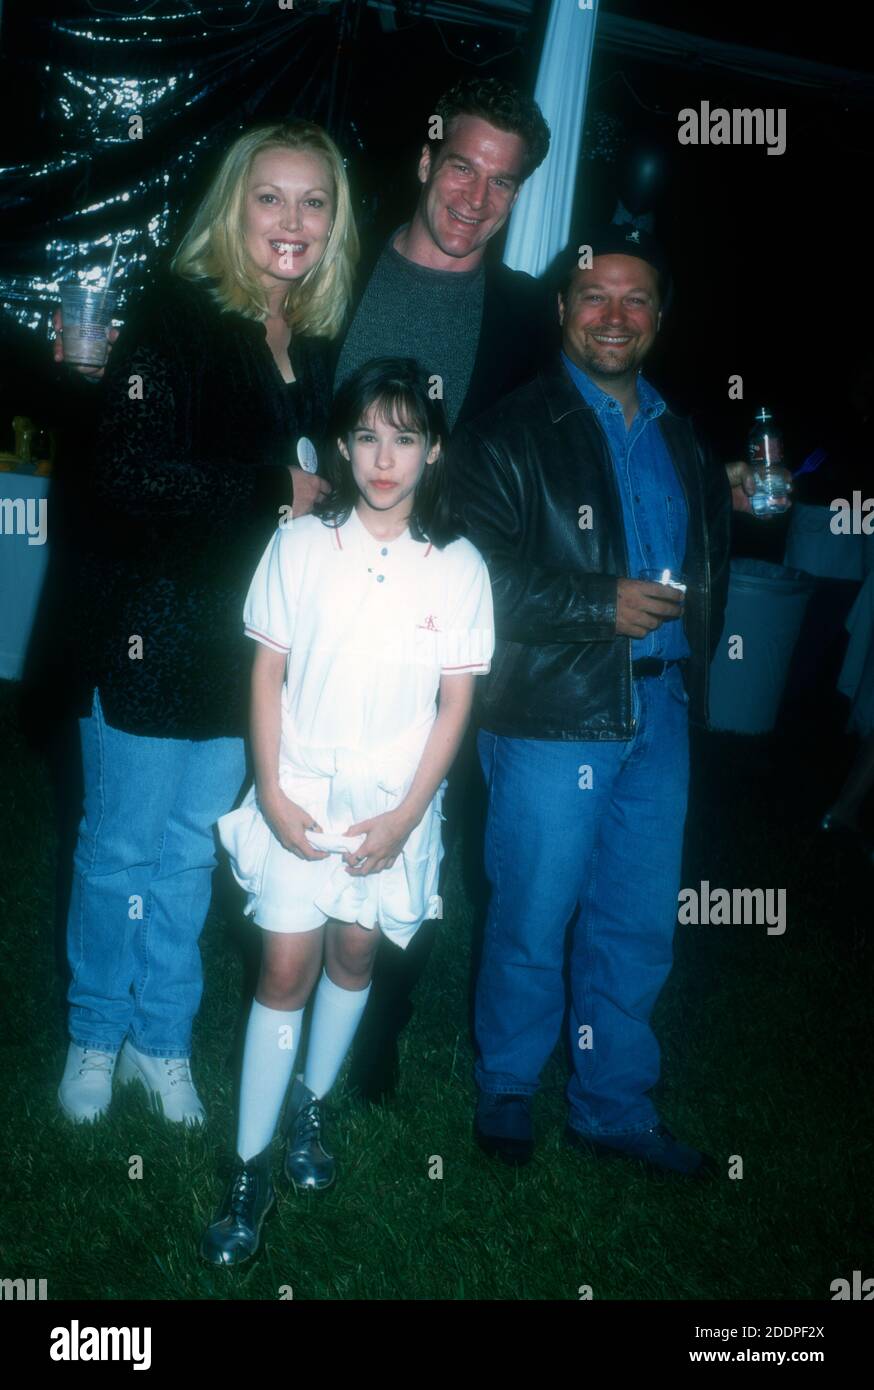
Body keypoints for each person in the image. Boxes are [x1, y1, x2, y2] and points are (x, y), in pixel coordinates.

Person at [56, 120, 358, 1127]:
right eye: (269, 197)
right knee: (119, 852)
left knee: (189, 854)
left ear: (333, 221)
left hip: (244, 651)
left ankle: (162, 1042)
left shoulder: (308, 341)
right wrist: (276, 486)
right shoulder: (175, 316)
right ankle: (96, 1033)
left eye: (312, 201)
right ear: (234, 208)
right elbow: (128, 472)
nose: (291, 220)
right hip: (147, 634)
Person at [447, 224, 732, 1174]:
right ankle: (510, 1087)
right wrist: (595, 605)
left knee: (638, 921)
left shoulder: (681, 434)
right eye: (594, 296)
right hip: (552, 713)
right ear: (563, 309)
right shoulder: (506, 432)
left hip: (661, 712)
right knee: (534, 912)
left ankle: (612, 1102)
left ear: (659, 318)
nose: (615, 315)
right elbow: (472, 582)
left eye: (636, 298)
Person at [199, 358, 494, 1266]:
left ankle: (310, 1106)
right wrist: (275, 790)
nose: (383, 457)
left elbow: (455, 704)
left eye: (405, 438)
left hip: (391, 805)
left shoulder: (456, 566)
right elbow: (267, 671)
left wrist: (407, 819)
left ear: (433, 451)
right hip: (304, 789)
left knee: (355, 950)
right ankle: (247, 1172)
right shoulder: (297, 545)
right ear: (342, 442)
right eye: (367, 435)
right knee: (286, 962)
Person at [336, 76, 555, 1100]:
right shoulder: (334, 269)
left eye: (501, 183)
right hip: (323, 598)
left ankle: (376, 1032)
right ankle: (287, 989)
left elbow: (580, 423)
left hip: (441, 625)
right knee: (306, 799)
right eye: (461, 165)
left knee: (420, 825)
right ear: (426, 159)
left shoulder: (522, 320)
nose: (474, 196)